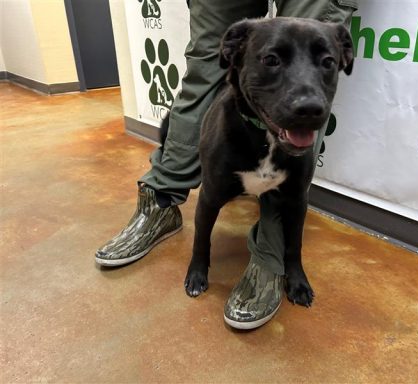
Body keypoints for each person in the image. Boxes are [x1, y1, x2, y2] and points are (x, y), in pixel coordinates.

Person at [96, 0, 358, 329]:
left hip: (286, 161)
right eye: (272, 60)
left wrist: (297, 265)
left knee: (292, 199)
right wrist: (199, 261)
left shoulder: (301, 131)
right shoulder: (223, 137)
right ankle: (162, 201)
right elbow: (208, 203)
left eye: (327, 62)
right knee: (204, 64)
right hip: (233, 141)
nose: (308, 100)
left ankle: (274, 259)